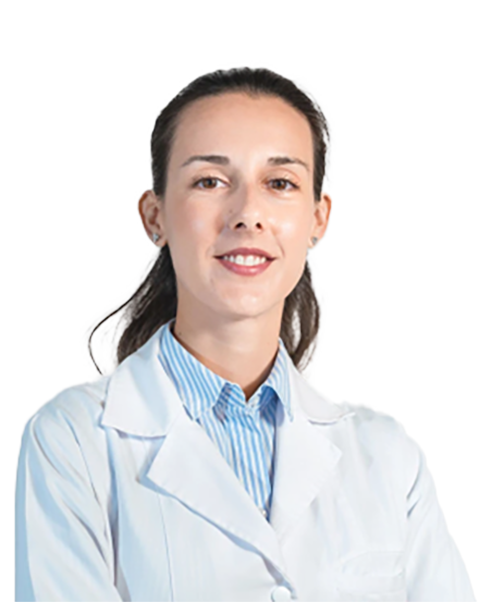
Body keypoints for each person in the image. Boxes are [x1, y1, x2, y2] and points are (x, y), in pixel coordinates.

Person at [14, 66, 476, 602]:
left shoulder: (387, 457)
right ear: (154, 215)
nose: (248, 214)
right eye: (210, 181)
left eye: (280, 183)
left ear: (318, 218)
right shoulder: (73, 442)